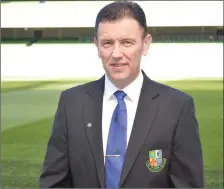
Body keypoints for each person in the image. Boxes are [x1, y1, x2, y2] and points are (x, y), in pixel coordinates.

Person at [39, 1, 204, 188]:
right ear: (97, 46)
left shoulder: (177, 107)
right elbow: (54, 182)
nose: (116, 54)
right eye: (108, 43)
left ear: (145, 44)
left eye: (127, 42)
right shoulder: (71, 103)